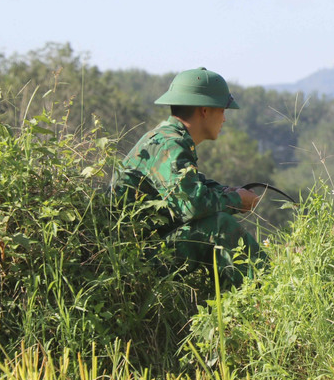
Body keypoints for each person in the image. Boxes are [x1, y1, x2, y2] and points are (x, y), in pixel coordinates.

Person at [113, 67, 264, 287]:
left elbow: (192, 187)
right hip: (136, 262)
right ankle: (270, 292)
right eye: (223, 110)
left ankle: (239, 302)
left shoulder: (167, 138)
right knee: (219, 225)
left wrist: (225, 191)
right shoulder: (170, 144)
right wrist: (236, 200)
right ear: (204, 110)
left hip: (139, 254)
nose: (225, 119)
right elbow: (191, 206)